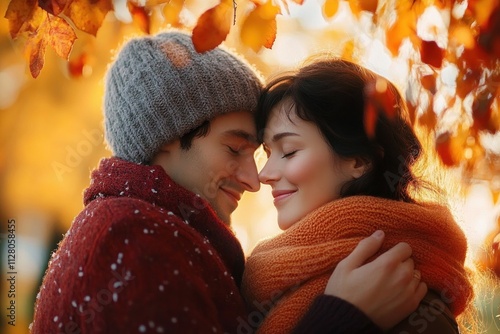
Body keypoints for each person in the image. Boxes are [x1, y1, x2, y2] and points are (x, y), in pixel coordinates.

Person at [31, 32, 426, 334]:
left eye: (260, 154)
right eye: (235, 149)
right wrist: (339, 319)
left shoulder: (170, 236)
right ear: (166, 138)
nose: (256, 181)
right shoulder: (130, 238)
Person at [241, 58, 474, 333]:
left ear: (359, 161)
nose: (263, 174)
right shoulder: (264, 279)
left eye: (289, 151)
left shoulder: (412, 301)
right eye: (267, 153)